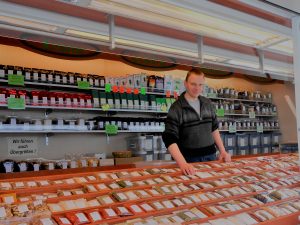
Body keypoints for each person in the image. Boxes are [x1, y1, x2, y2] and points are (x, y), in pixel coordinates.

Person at [162, 68, 231, 175]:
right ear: (185, 83)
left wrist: (222, 151)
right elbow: (169, 138)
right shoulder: (177, 108)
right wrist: (183, 163)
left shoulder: (207, 103)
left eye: (200, 85)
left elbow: (214, 128)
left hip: (211, 156)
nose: (197, 88)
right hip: (189, 160)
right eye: (193, 84)